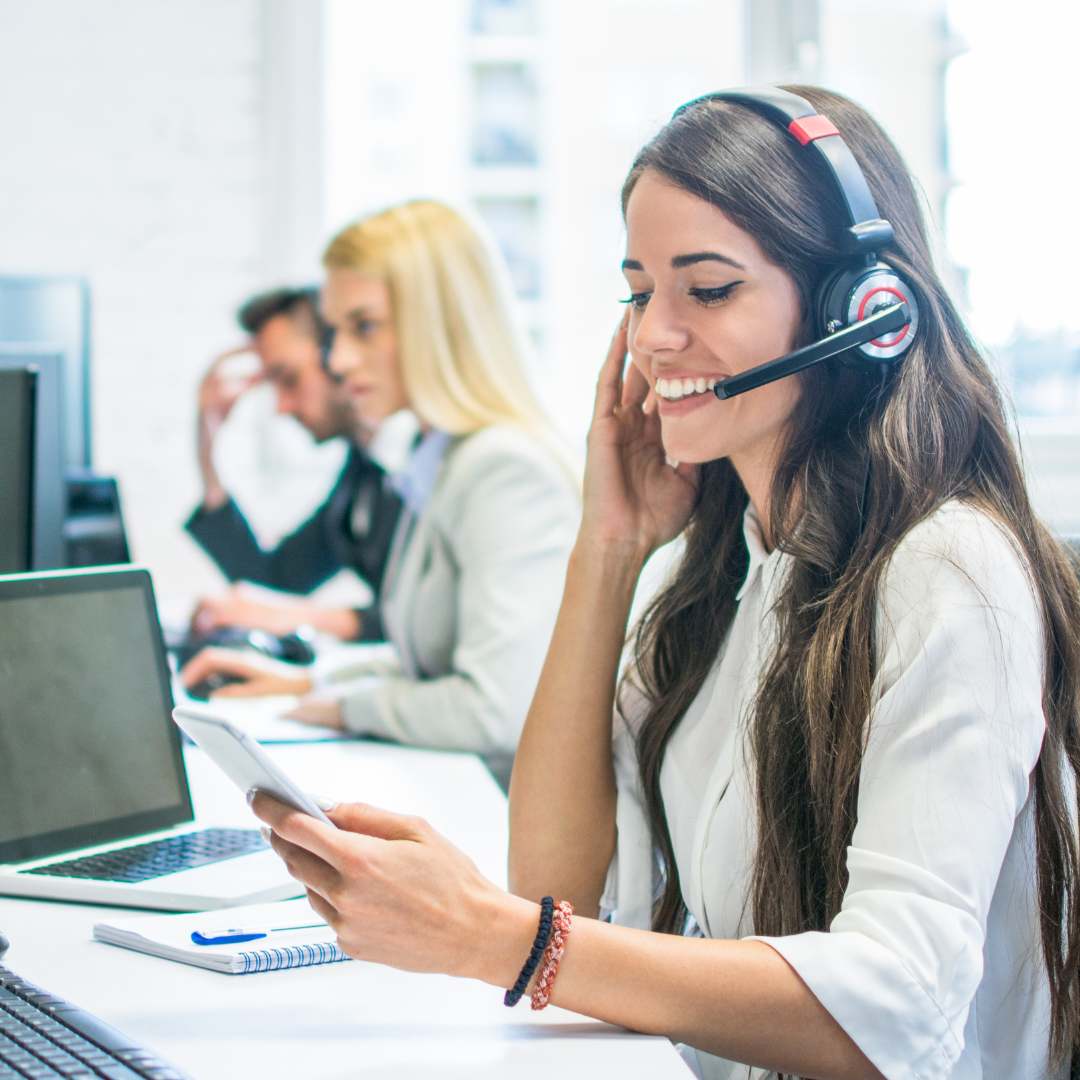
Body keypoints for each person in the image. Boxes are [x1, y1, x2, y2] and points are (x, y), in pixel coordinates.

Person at [246, 86, 1080, 1079]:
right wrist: (607, 550)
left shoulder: (946, 574)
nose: (653, 337)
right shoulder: (720, 577)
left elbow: (895, 1009)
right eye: (640, 291)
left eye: (709, 289)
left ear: (866, 312)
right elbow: (560, 887)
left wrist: (494, 940)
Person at [181, 200, 581, 784]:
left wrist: (336, 706)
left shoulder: (503, 470)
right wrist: (312, 685)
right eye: (336, 332)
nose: (339, 360)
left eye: (362, 327)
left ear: (437, 323)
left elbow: (495, 710)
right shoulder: (436, 461)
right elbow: (423, 659)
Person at [185, 286, 403, 642]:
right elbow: (275, 581)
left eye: (289, 379)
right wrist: (208, 455)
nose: (281, 406)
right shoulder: (362, 474)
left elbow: (435, 627)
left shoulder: (419, 465)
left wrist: (303, 616)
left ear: (338, 359)